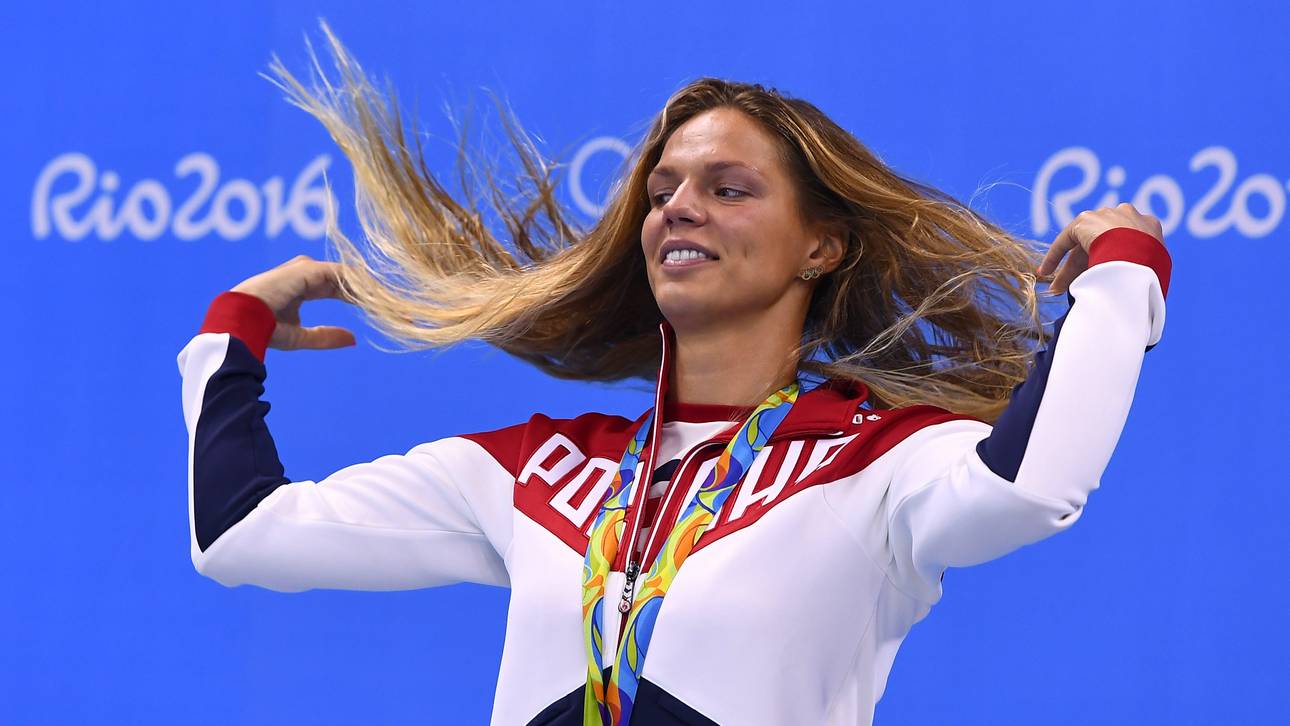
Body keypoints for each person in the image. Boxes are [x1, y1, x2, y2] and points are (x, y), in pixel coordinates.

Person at [177, 24, 1171, 726]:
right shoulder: (535, 472)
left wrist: (1125, 277)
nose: (678, 209)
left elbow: (1033, 486)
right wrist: (234, 334)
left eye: (726, 188)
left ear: (819, 248)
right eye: (661, 191)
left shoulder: (881, 461)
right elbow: (243, 536)